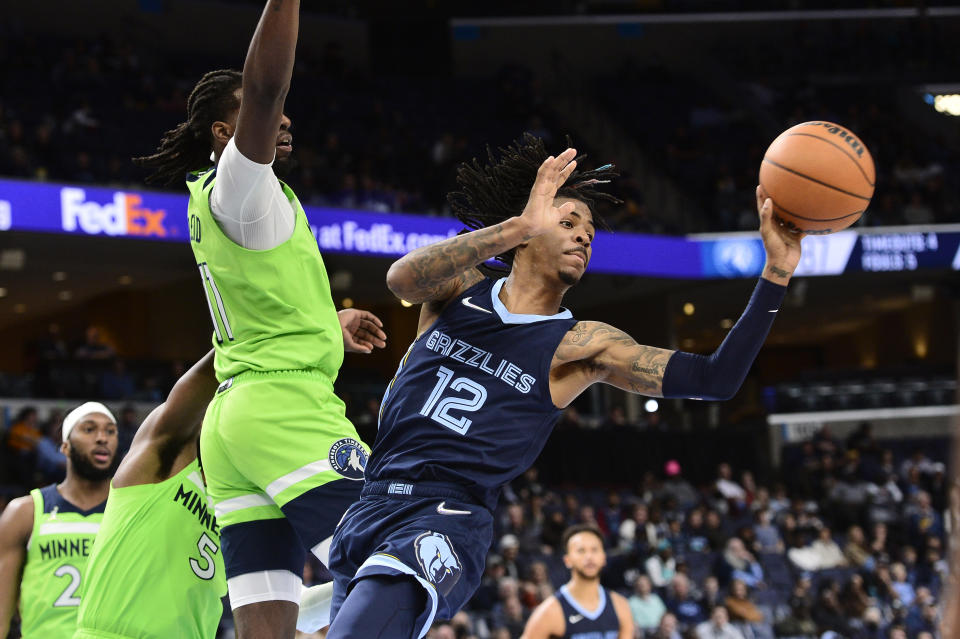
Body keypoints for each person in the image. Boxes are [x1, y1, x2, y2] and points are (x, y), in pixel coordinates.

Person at [328, 134, 804, 637]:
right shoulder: (460, 287)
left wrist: (775, 272)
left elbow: (716, 378)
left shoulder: (581, 345)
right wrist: (516, 226)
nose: (584, 237)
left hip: (445, 515)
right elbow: (401, 280)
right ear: (529, 227)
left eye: (591, 232)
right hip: (370, 500)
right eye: (569, 222)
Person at [133, 2, 387, 637]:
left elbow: (261, 310)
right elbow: (269, 84)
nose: (284, 117)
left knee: (265, 622)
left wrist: (331, 322)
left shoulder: (231, 203)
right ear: (228, 130)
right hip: (282, 406)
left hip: (234, 421)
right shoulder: (241, 190)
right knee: (395, 563)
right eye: (262, 113)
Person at [74, 351, 331, 638]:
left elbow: (299, 609)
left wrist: (369, 578)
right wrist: (302, 340)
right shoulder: (160, 464)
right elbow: (200, 380)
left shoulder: (246, 509)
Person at [0, 403, 119, 638]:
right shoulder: (25, 511)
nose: (102, 438)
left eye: (110, 431)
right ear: (65, 446)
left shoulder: (128, 511)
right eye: (89, 429)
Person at [520, 525, 632, 639]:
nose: (589, 556)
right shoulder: (550, 611)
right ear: (567, 560)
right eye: (581, 551)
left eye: (594, 550)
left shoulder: (620, 606)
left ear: (603, 558)